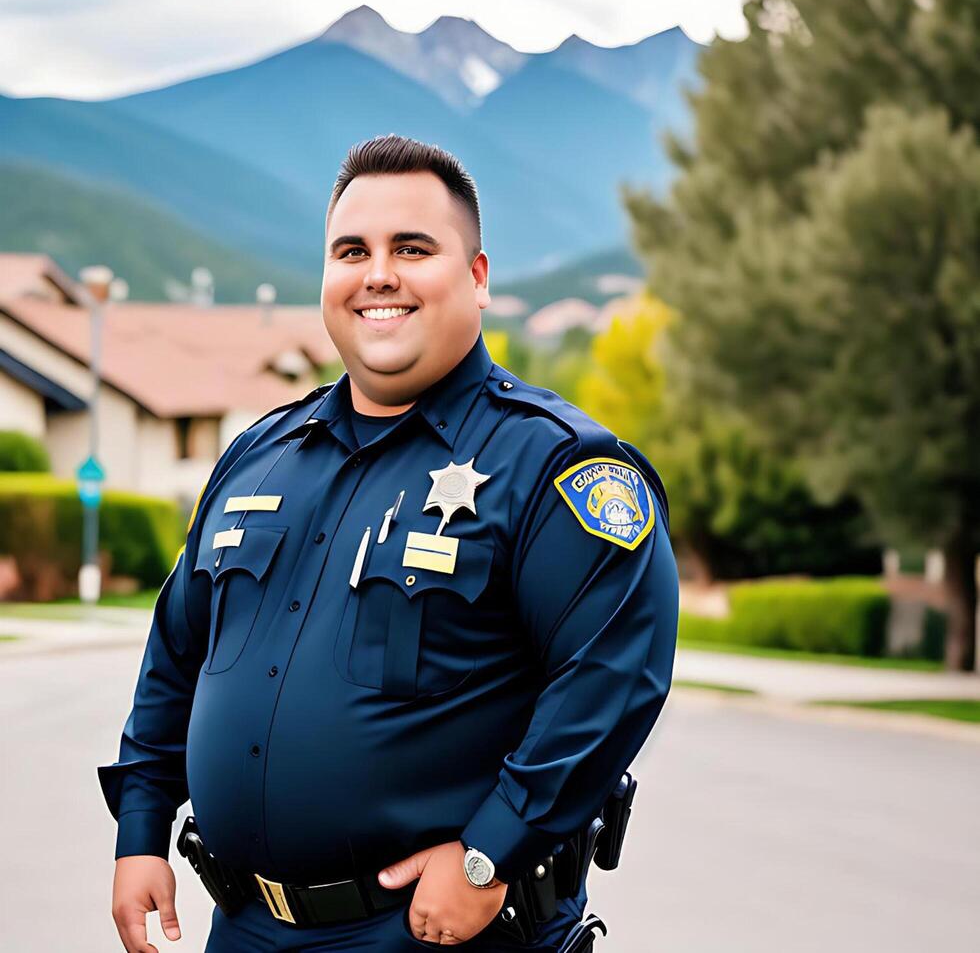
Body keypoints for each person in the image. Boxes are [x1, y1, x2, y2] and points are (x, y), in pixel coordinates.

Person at [99, 133, 679, 953]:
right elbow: (177, 655)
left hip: (430, 936)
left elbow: (614, 678)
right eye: (352, 251)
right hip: (244, 928)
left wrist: (492, 853)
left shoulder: (553, 465)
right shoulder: (258, 457)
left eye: (413, 248)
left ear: (476, 279)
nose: (379, 274)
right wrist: (141, 824)